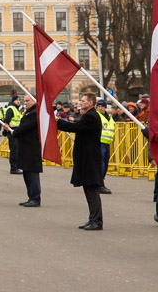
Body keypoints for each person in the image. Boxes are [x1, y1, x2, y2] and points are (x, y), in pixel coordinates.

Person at [56, 92, 105, 230]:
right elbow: (78, 124)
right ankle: (92, 219)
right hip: (86, 158)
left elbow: (76, 128)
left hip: (90, 158)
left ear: (90, 103)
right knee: (88, 189)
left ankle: (97, 221)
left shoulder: (91, 116)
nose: (80, 102)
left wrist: (58, 123)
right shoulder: (88, 115)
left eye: (83, 100)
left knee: (91, 190)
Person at [11, 94, 42, 207]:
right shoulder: (28, 112)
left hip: (31, 147)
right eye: (25, 101)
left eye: (28, 101)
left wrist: (14, 132)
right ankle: (30, 197)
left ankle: (35, 198)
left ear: (34, 101)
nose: (25, 103)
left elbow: (25, 127)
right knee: (26, 173)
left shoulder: (35, 113)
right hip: (25, 146)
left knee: (32, 173)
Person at [97, 103, 116, 193]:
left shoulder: (109, 117)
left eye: (102, 106)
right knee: (101, 164)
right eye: (98, 106)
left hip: (107, 143)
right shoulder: (97, 116)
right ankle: (99, 184)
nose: (100, 108)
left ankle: (101, 182)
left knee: (105, 163)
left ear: (105, 107)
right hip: (100, 142)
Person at [3, 97, 23, 174]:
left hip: (17, 132)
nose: (18, 101)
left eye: (19, 100)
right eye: (16, 100)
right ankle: (13, 168)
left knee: (17, 150)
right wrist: (6, 131)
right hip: (12, 132)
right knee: (14, 151)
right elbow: (6, 121)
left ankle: (17, 166)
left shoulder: (16, 109)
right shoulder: (11, 108)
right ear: (13, 101)